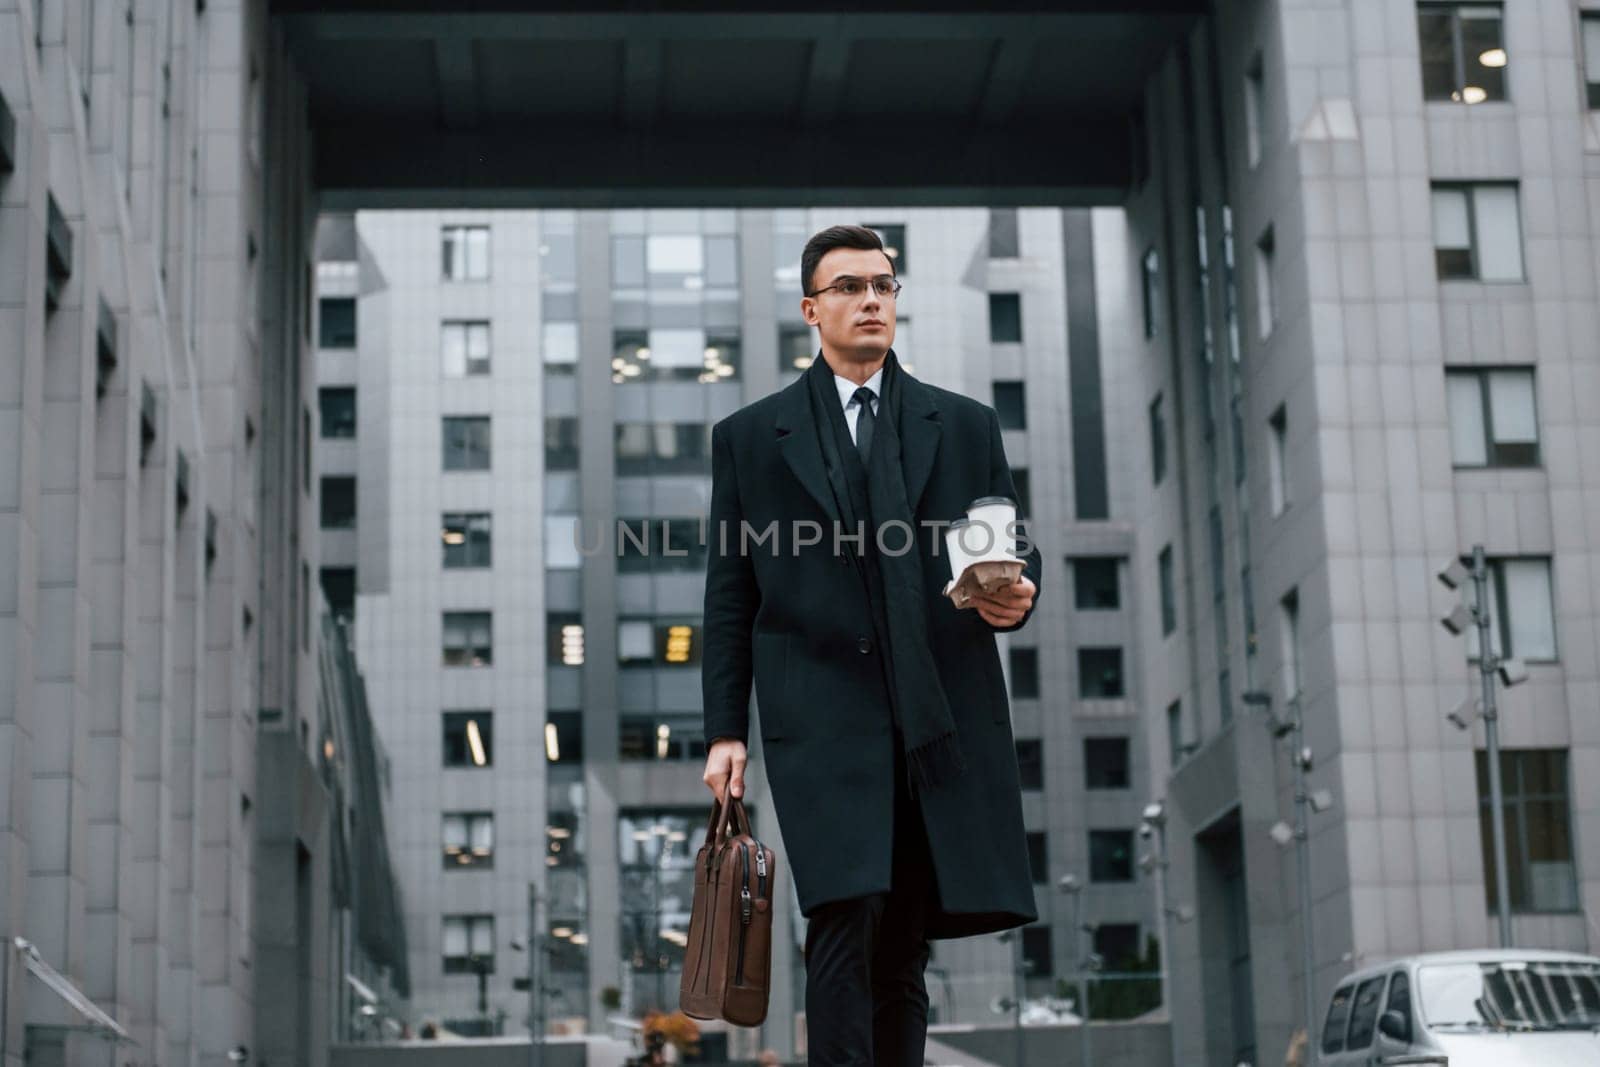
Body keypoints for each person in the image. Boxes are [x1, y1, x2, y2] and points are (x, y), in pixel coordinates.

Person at [700, 225, 1041, 1066]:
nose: (871, 300)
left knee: (904, 944)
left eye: (884, 286)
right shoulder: (751, 438)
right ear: (813, 309)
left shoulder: (963, 425)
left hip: (934, 719)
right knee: (844, 919)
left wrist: (1020, 592)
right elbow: (729, 593)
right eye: (850, 287)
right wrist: (724, 731)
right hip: (817, 718)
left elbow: (1004, 543)